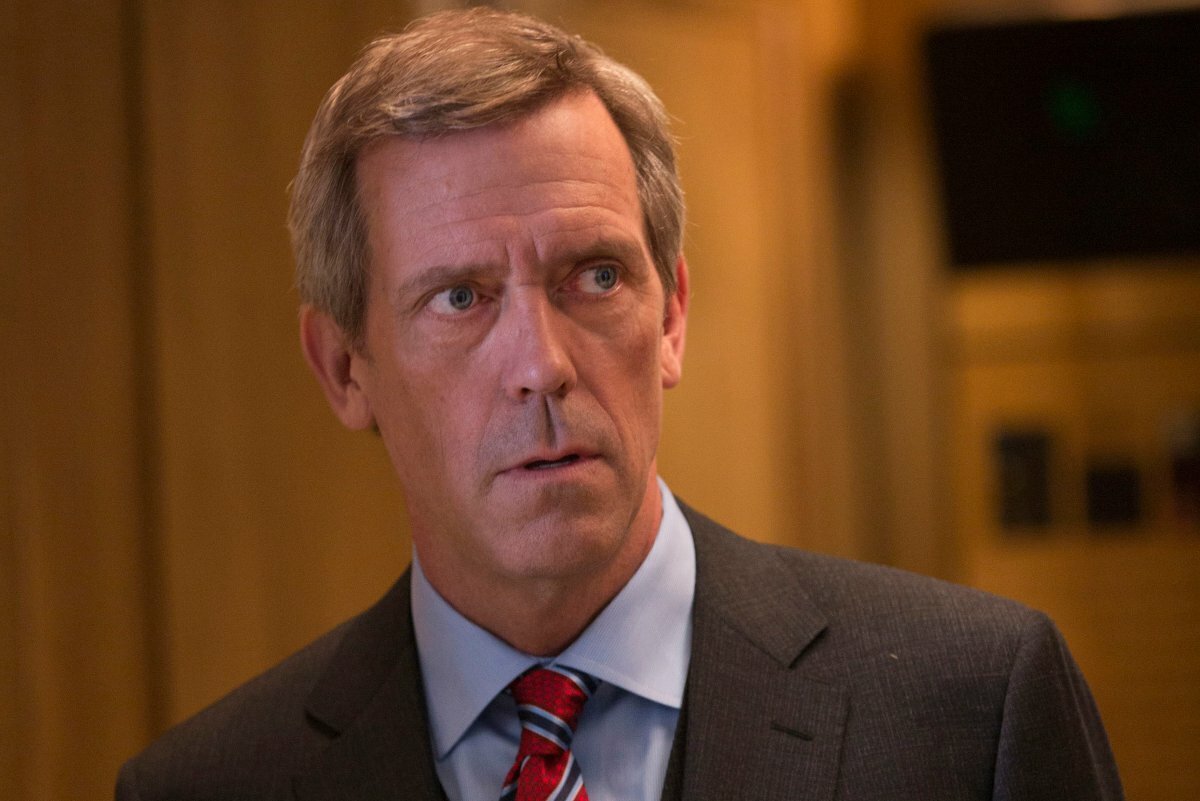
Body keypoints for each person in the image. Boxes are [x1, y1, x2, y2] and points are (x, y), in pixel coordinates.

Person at [116, 8, 1123, 800]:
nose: (542, 365)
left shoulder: (973, 711)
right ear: (344, 368)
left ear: (672, 314)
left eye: (594, 277)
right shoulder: (210, 786)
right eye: (460, 298)